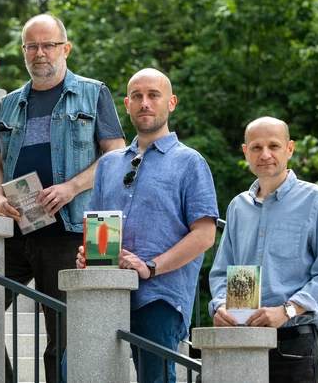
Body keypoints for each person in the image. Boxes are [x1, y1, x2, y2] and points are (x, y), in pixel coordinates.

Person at [0, 14, 126, 383]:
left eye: (48, 45)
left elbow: (116, 155)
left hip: (72, 233)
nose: (40, 53)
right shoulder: (13, 102)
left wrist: (71, 187)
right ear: (23, 52)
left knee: (62, 341)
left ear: (65, 48)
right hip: (17, 232)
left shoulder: (93, 93)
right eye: (32, 46)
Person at [76, 68, 219, 383]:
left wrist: (150, 267)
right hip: (107, 290)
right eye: (137, 96)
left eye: (154, 95)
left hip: (159, 295)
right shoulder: (110, 164)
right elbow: (99, 227)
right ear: (126, 104)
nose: (145, 103)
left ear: (171, 102)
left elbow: (205, 235)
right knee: (73, 369)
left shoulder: (190, 162)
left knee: (154, 379)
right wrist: (89, 255)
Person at [208, 116, 318, 383]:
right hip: (241, 341)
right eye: (256, 147)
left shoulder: (316, 199)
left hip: (294, 347)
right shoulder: (238, 207)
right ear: (246, 152)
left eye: (274, 146)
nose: (265, 154)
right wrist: (221, 305)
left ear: (289, 149)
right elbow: (222, 272)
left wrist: (286, 310)